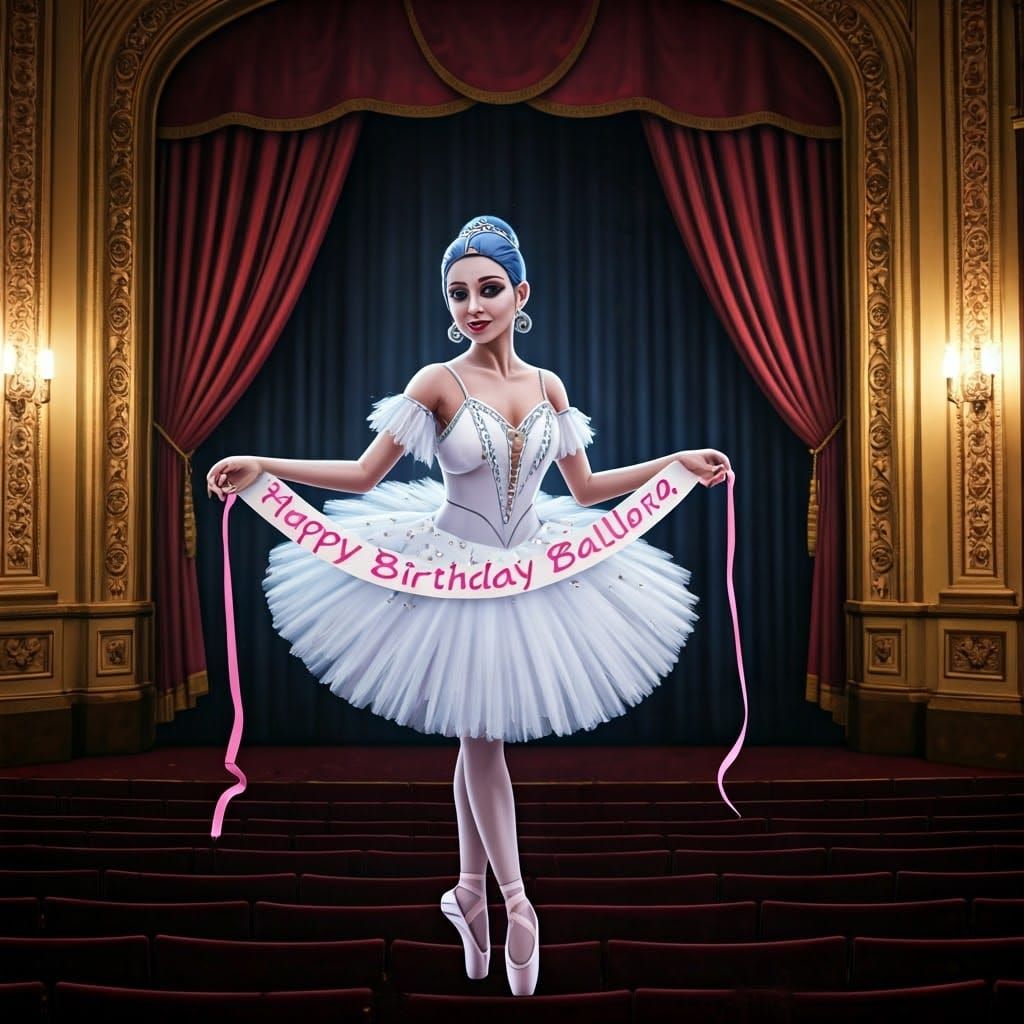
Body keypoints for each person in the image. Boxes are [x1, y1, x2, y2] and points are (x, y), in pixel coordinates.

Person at [207, 215, 730, 996]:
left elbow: (586, 489)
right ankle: (518, 905)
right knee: (483, 738)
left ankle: (468, 893)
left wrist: (675, 462)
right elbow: (360, 476)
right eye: (458, 293)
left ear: (522, 293)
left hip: (533, 569)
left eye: (488, 289)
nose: (473, 306)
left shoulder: (548, 385)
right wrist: (262, 463)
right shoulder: (436, 382)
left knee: (475, 737)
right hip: (448, 569)